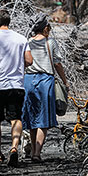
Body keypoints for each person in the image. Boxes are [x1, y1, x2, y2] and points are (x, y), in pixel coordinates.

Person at [0, 9, 33, 167]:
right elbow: (29, 61)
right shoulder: (21, 39)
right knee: (15, 118)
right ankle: (14, 147)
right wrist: (17, 65)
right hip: (16, 85)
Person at [21, 12, 69, 163]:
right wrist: (65, 81)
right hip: (45, 81)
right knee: (44, 119)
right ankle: (37, 153)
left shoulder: (27, 42)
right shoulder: (51, 43)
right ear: (45, 28)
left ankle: (33, 149)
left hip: (28, 81)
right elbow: (57, 63)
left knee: (32, 117)